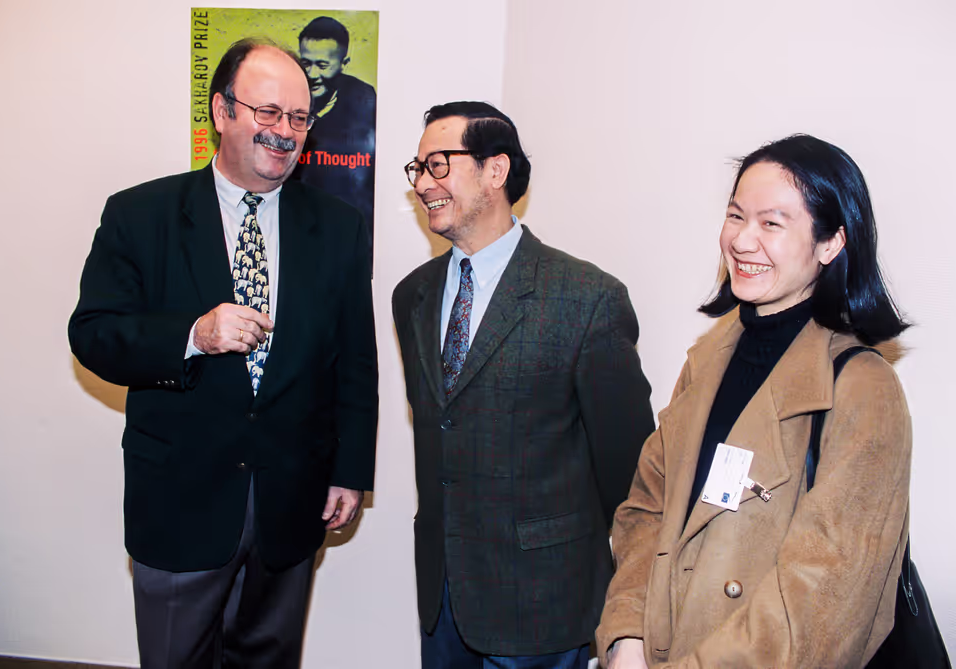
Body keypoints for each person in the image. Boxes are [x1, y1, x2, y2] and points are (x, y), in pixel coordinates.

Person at [68, 37, 377, 668]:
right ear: (221, 111)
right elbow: (93, 333)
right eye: (267, 113)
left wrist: (351, 469)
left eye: (297, 117)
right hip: (181, 501)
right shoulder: (140, 214)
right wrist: (192, 336)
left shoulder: (339, 225)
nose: (285, 132)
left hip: (291, 503)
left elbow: (355, 360)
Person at [597, 135, 912, 669]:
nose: (742, 240)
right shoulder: (708, 358)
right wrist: (626, 636)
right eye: (735, 215)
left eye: (771, 223)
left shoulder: (862, 388)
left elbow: (821, 602)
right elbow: (646, 509)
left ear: (830, 243)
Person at [394, 101, 655, 669]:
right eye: (416, 169)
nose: (422, 184)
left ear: (496, 170)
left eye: (438, 164)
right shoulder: (410, 294)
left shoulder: (586, 298)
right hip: (443, 602)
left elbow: (631, 470)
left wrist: (630, 608)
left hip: (545, 605)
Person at [295, 16, 376, 256]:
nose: (311, 74)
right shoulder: (286, 94)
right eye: (305, 63)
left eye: (322, 65)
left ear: (344, 63)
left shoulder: (364, 101)